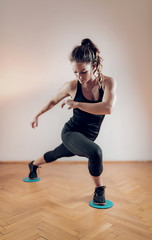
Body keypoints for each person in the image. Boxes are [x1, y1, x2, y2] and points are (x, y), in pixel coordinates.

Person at [28, 38, 117, 205]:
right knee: (95, 152)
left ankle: (33, 165)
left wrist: (77, 104)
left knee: (56, 154)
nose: (79, 76)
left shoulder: (108, 83)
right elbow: (53, 101)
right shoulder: (71, 86)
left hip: (87, 137)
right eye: (75, 72)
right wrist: (36, 115)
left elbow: (107, 108)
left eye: (83, 72)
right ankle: (99, 190)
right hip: (71, 133)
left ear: (95, 66)